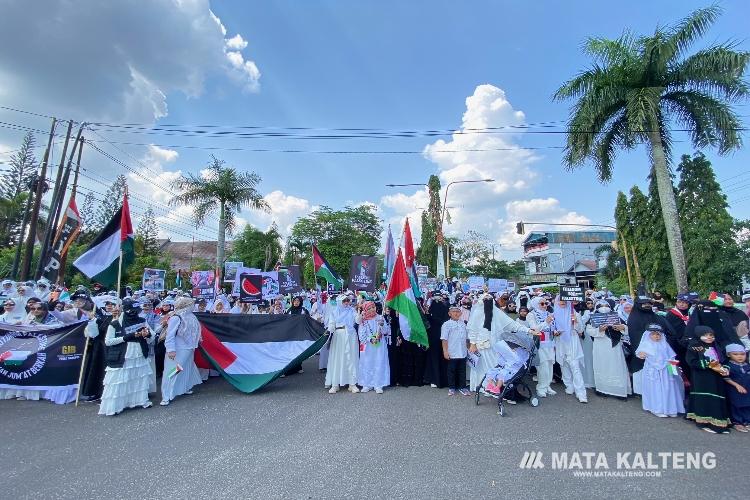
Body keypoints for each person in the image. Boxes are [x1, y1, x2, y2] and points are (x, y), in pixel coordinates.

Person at [467, 293, 533, 392]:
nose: (488, 301)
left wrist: (529, 330)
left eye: (490, 299)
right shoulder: (478, 312)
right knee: (481, 367)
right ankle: (482, 386)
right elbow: (473, 329)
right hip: (480, 345)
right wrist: (472, 344)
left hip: (495, 345)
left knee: (495, 365)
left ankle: (493, 387)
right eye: (486, 299)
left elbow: (513, 325)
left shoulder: (497, 312)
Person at [99, 298, 154, 416]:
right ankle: (115, 406)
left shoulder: (142, 320)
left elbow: (152, 336)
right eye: (131, 310)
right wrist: (126, 337)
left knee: (138, 376)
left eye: (135, 310)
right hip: (123, 354)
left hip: (139, 353)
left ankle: (140, 400)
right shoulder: (115, 323)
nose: (133, 313)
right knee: (120, 380)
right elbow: (108, 341)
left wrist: (147, 334)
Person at [685, 326, 731, 433]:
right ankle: (703, 421)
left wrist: (724, 368)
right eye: (705, 335)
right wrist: (708, 364)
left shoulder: (716, 346)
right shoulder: (694, 346)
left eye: (711, 335)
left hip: (716, 376)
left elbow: (723, 360)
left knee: (716, 397)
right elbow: (691, 361)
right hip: (702, 377)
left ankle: (718, 421)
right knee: (705, 397)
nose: (709, 337)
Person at [160, 297, 202, 406]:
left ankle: (185, 387)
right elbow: (170, 335)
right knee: (174, 370)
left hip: (189, 348)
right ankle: (166, 395)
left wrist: (197, 339)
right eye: (191, 304)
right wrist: (171, 350)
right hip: (179, 349)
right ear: (185, 305)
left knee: (187, 368)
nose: (193, 306)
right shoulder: (176, 317)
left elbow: (196, 330)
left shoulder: (191, 316)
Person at [636, 324, 684, 417]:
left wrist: (672, 367)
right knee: (655, 389)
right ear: (648, 335)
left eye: (658, 334)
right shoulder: (646, 344)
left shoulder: (664, 344)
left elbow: (671, 356)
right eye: (653, 334)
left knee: (668, 388)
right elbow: (640, 353)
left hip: (665, 370)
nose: (656, 336)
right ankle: (656, 408)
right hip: (653, 370)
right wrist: (642, 354)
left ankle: (670, 408)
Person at [627, 297, 672, 395]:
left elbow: (666, 330)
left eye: (649, 303)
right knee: (641, 369)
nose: (647, 305)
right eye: (644, 303)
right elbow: (635, 336)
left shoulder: (656, 316)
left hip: (658, 350)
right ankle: (641, 392)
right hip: (641, 349)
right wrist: (644, 349)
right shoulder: (634, 319)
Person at [587, 300, 631, 399]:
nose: (604, 307)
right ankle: (603, 389)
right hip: (600, 345)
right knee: (602, 366)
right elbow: (589, 331)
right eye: (601, 305)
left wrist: (622, 327)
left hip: (614, 346)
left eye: (606, 305)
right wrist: (599, 330)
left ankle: (619, 391)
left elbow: (626, 328)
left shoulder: (616, 316)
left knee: (617, 366)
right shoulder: (593, 318)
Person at [553, 296, 587, 403]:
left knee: (575, 366)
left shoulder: (574, 313)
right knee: (563, 364)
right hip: (560, 342)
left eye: (564, 300)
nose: (562, 302)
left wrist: (576, 322)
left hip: (572, 341)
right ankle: (569, 385)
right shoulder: (554, 314)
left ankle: (581, 392)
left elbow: (581, 330)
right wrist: (554, 332)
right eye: (560, 300)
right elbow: (550, 329)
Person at [325, 295, 359, 394]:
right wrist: (329, 330)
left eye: (348, 300)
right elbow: (331, 324)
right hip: (338, 337)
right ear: (340, 301)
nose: (347, 302)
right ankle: (335, 383)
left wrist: (359, 314)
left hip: (351, 335)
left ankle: (352, 383)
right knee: (337, 358)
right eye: (344, 301)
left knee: (351, 358)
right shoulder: (334, 312)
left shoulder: (352, 310)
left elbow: (357, 321)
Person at [356, 301, 390, 394]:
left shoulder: (380, 317)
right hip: (368, 346)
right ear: (365, 310)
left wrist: (382, 325)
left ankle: (378, 384)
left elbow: (386, 331)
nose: (372, 309)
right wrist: (370, 339)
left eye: (373, 307)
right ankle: (367, 384)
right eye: (369, 308)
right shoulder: (363, 321)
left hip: (379, 346)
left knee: (379, 362)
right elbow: (361, 335)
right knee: (367, 363)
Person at [527, 297, 556, 398]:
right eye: (542, 304)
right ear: (535, 304)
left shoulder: (548, 314)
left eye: (546, 303)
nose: (545, 306)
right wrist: (546, 323)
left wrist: (555, 331)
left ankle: (547, 385)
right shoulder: (531, 315)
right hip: (539, 344)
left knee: (549, 365)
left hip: (550, 343)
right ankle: (541, 387)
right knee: (542, 367)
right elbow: (534, 328)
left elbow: (552, 327)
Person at [441, 305, 469, 396]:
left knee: (462, 370)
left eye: (458, 311)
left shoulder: (463, 324)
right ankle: (452, 387)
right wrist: (445, 351)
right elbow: (444, 339)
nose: (456, 313)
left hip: (463, 351)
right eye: (454, 311)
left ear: (461, 313)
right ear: (449, 313)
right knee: (451, 370)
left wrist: (468, 348)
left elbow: (466, 338)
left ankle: (462, 387)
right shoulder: (446, 324)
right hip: (452, 351)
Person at [723, 343, 750, 432]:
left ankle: (747, 421)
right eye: (735, 354)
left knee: (747, 405)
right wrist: (736, 385)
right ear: (728, 355)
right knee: (736, 406)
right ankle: (737, 422)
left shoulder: (747, 365)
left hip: (747, 389)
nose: (740, 357)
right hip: (734, 390)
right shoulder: (728, 366)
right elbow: (726, 377)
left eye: (742, 354)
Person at [425, 293, 449, 388]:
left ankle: (434, 379)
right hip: (443, 338)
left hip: (433, 338)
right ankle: (443, 379)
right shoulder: (444, 311)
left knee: (434, 358)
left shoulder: (430, 314)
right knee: (443, 358)